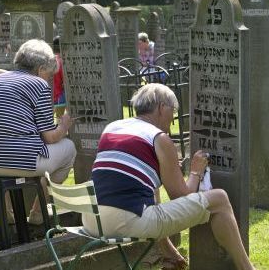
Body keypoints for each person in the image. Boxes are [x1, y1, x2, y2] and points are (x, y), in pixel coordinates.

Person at [82, 83, 255, 270]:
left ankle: (169, 254)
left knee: (151, 192)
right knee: (219, 199)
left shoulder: (112, 127)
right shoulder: (159, 138)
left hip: (92, 220)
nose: (173, 119)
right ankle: (247, 268)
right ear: (161, 108)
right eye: (173, 110)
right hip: (125, 222)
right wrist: (195, 171)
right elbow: (181, 196)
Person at [0, 39, 77, 224]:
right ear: (41, 68)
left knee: (5, 155)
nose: (49, 79)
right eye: (49, 75)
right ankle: (38, 212)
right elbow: (50, 137)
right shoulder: (38, 84)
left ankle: (8, 215)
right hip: (21, 162)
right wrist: (64, 125)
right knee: (68, 148)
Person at [52, 37, 66, 118]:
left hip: (48, 95)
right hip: (59, 96)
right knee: (59, 119)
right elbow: (65, 82)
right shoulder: (61, 61)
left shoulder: (48, 60)